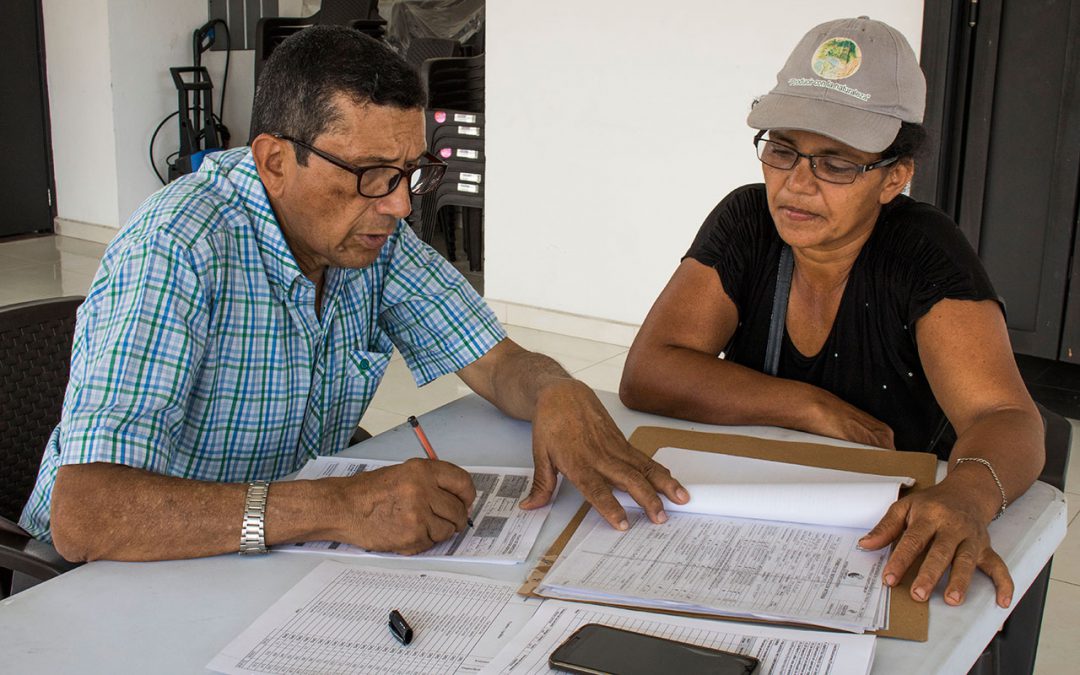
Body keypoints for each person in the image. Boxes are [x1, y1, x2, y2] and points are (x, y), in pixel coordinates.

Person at [21, 26, 688, 562]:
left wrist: (555, 391)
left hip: (261, 557)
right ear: (275, 161)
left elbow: (492, 359)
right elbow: (86, 513)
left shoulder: (369, 237)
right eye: (372, 173)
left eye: (410, 172)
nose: (399, 204)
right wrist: (334, 506)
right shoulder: (177, 249)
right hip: (116, 575)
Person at [619, 17, 1044, 609]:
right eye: (783, 149)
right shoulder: (746, 221)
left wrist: (967, 494)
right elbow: (648, 373)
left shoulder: (925, 254)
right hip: (768, 495)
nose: (796, 184)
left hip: (886, 518)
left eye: (837, 163)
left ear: (894, 177)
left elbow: (1007, 416)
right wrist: (808, 405)